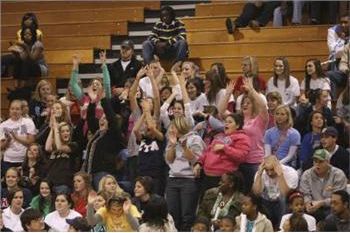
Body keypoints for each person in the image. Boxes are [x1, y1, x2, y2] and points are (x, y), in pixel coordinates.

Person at [165, 116, 205, 231]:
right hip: (173, 179)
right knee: (172, 215)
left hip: (189, 180)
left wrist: (184, 146)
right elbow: (169, 160)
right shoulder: (172, 139)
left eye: (173, 127)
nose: (171, 130)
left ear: (180, 126)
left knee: (187, 216)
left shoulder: (194, 139)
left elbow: (196, 160)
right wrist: (172, 144)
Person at [194, 113, 251, 193]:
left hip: (223, 179)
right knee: (205, 204)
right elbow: (207, 152)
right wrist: (199, 163)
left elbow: (241, 156)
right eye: (225, 122)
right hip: (207, 177)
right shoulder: (219, 136)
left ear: (237, 125)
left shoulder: (243, 138)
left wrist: (225, 148)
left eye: (230, 122)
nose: (226, 123)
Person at [300, 149, 347, 221]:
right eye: (315, 161)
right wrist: (308, 204)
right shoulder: (307, 174)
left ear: (328, 162)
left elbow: (339, 199)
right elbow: (305, 194)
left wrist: (321, 203)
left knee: (330, 218)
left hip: (332, 208)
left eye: (321, 162)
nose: (317, 164)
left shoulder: (338, 174)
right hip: (313, 208)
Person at [252, 155, 298, 229]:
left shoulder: (291, 173)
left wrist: (280, 174)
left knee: (282, 199)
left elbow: (285, 193)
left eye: (272, 169)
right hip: (266, 201)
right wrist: (259, 174)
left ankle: (280, 228)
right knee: (256, 201)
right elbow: (256, 193)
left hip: (283, 203)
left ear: (278, 166)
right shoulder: (261, 173)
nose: (269, 173)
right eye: (267, 170)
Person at [0, 99, 36, 175]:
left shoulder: (28, 122)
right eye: (12, 109)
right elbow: (1, 146)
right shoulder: (3, 125)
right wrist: (8, 140)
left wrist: (16, 137)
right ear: (9, 110)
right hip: (8, 160)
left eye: (17, 109)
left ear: (21, 111)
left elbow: (31, 141)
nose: (14, 111)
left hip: (24, 159)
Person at [45, 120, 79, 194]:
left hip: (63, 184)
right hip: (50, 183)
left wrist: (56, 130)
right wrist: (52, 129)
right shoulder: (54, 148)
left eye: (67, 131)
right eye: (62, 131)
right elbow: (47, 148)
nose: (65, 133)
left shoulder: (73, 145)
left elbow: (59, 147)